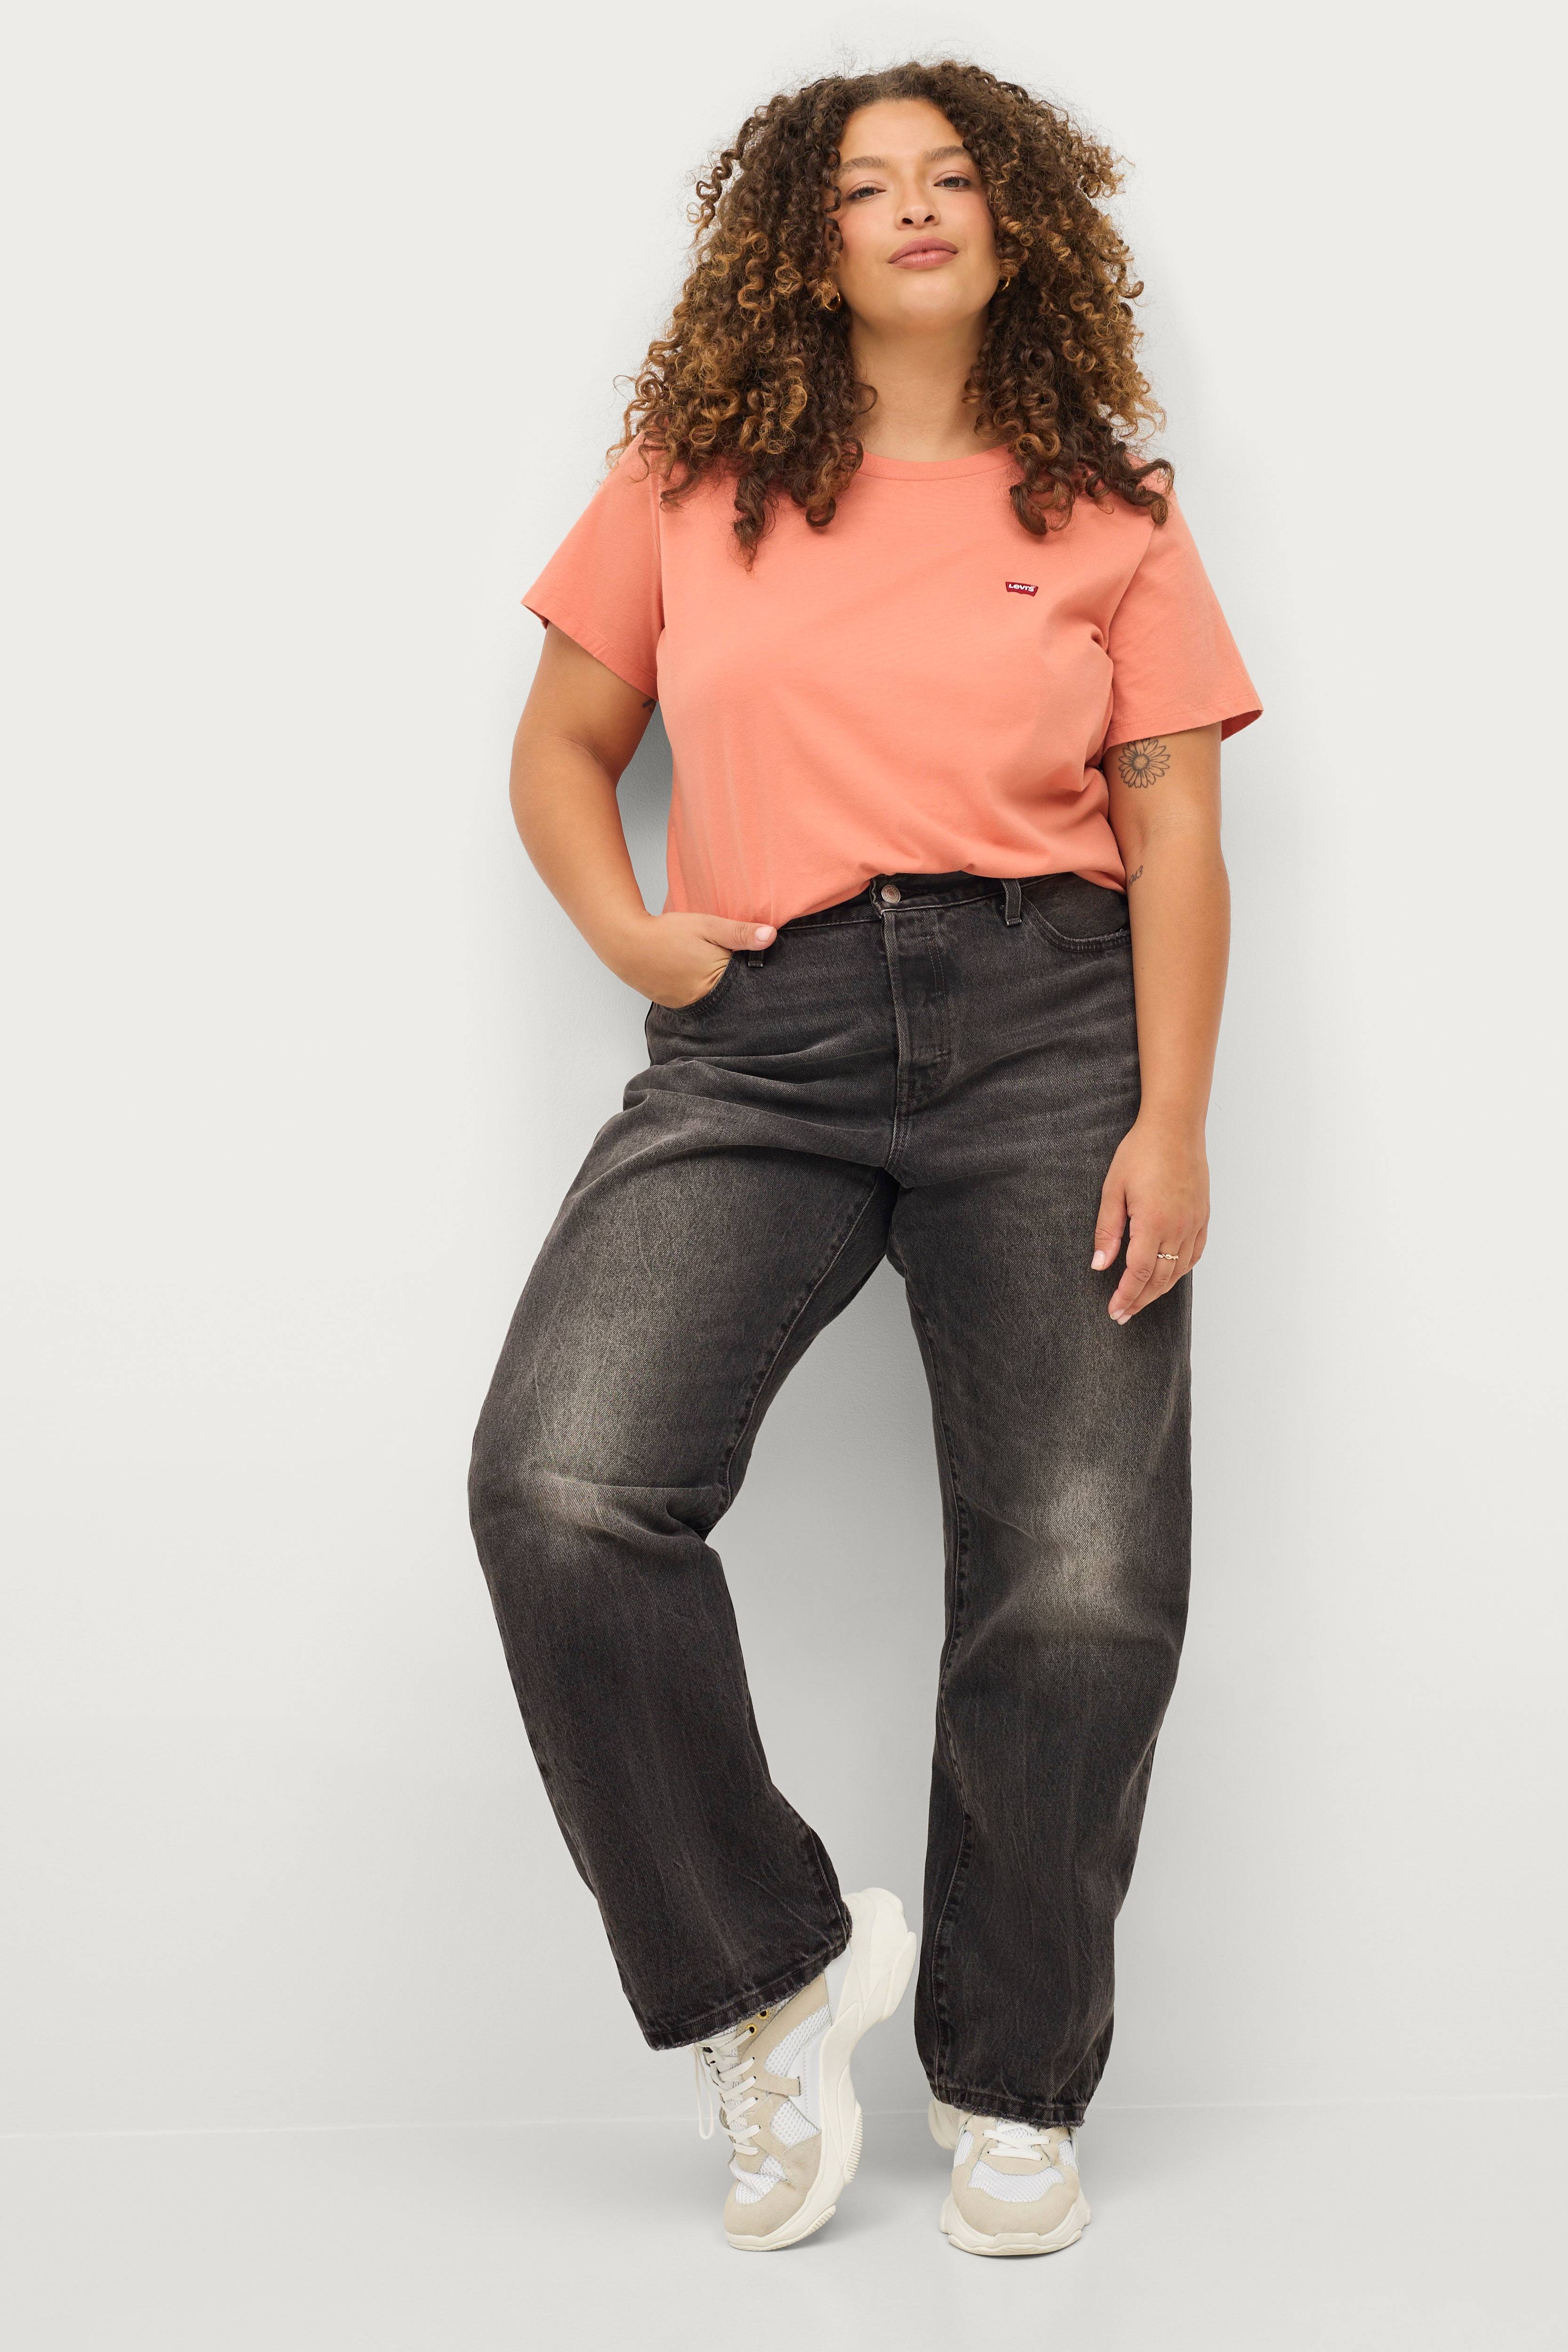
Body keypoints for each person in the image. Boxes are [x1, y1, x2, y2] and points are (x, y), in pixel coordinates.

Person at [469, 58, 1260, 2258]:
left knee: (1078, 1568)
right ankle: (771, 1978)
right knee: (562, 1484)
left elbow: (1183, 833)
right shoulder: (690, 481)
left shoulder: (1113, 507)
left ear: (1016, 224)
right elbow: (563, 744)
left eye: (952, 175)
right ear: (804, 245)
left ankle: (1013, 2076)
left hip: (1056, 1034)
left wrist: (1173, 1114)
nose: (913, 206)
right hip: (763, 1040)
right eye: (863, 185)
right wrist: (637, 932)